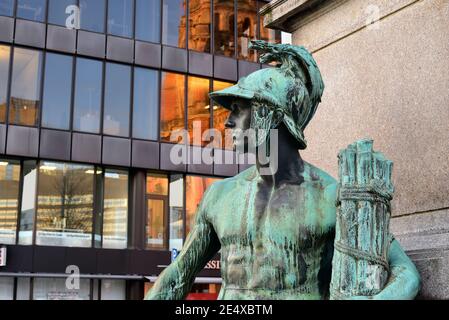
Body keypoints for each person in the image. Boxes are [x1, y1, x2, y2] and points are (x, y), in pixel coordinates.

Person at [145, 41, 420, 300]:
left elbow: (405, 272)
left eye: (239, 109)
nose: (227, 122)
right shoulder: (220, 196)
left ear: (272, 116)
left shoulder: (330, 197)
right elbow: (177, 276)